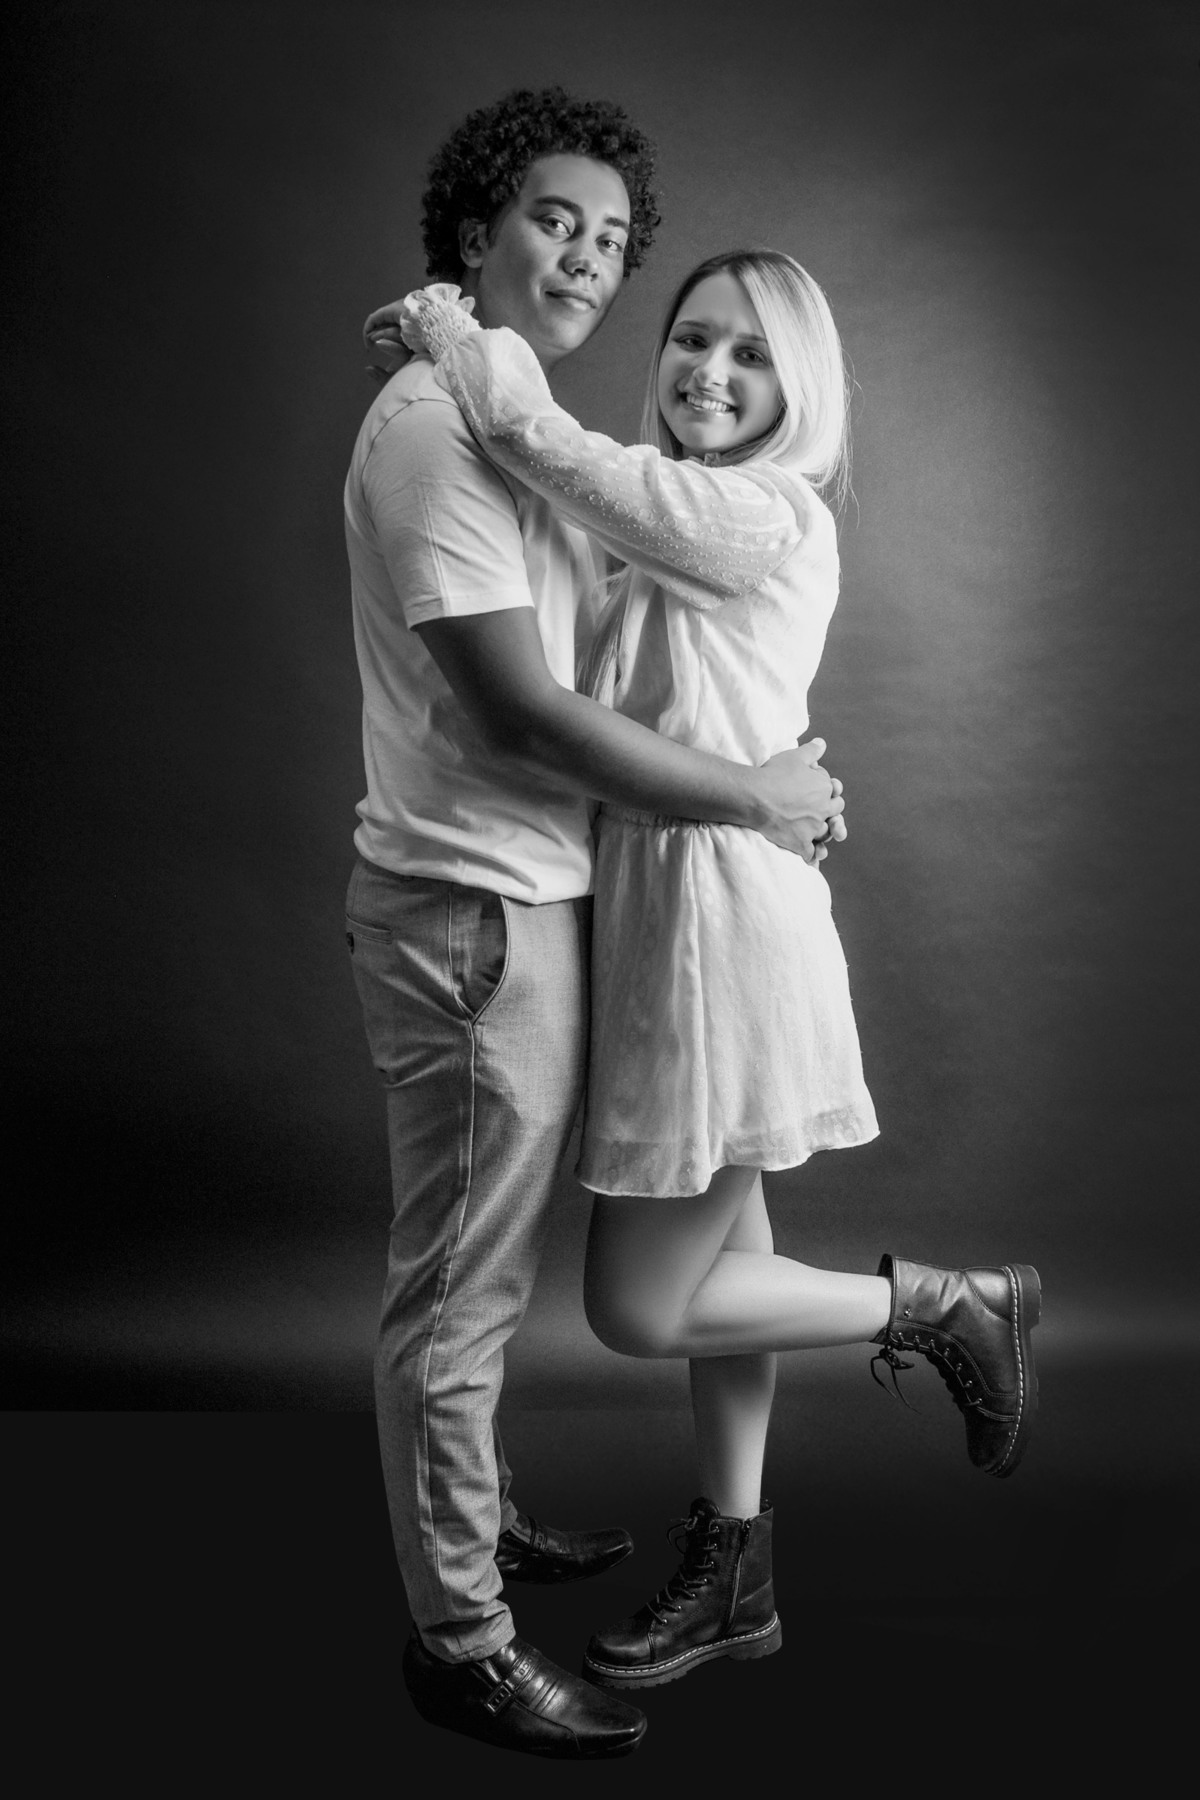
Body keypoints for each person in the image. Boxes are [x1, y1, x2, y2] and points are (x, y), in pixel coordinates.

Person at [376, 248, 1042, 1693]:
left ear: (802, 387)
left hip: (715, 930)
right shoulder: (680, 524)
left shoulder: (762, 509)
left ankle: (943, 1306)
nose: (709, 372)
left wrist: (454, 334)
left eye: (750, 354)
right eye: (690, 339)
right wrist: (777, 778)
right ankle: (736, 1570)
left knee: (638, 1305)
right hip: (679, 907)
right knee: (734, 1269)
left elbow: (551, 450)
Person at [342, 90, 845, 1761]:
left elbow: (636, 595)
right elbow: (528, 710)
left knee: (631, 1279)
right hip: (490, 903)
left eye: (612, 240)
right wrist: (756, 787)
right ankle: (465, 1637)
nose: (586, 259)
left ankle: (604, 1539)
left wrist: (771, 788)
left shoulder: (690, 489)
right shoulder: (452, 427)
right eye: (555, 220)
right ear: (477, 222)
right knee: (472, 1288)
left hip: (635, 905)